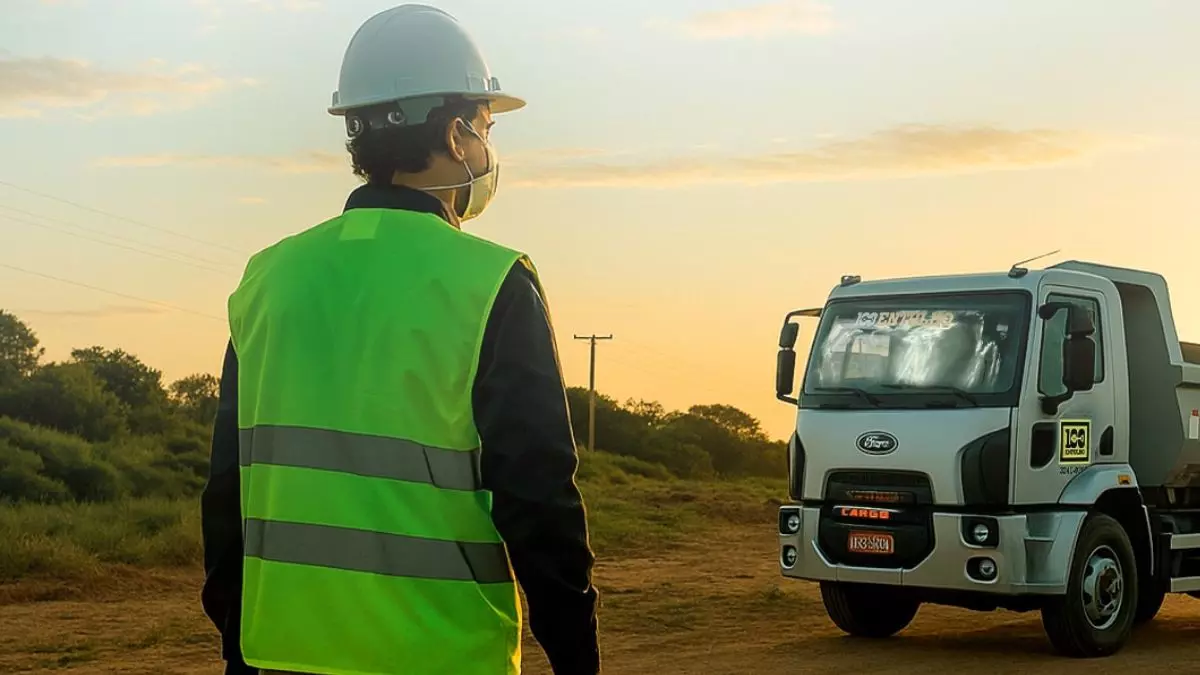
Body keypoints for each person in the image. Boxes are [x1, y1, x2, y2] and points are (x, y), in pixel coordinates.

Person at [199, 5, 601, 674]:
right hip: (440, 655)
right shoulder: (493, 281)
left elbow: (225, 494)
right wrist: (576, 656)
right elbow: (538, 499)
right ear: (453, 132)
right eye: (486, 129)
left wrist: (240, 647)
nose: (486, 150)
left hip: (283, 655)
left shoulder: (267, 279)